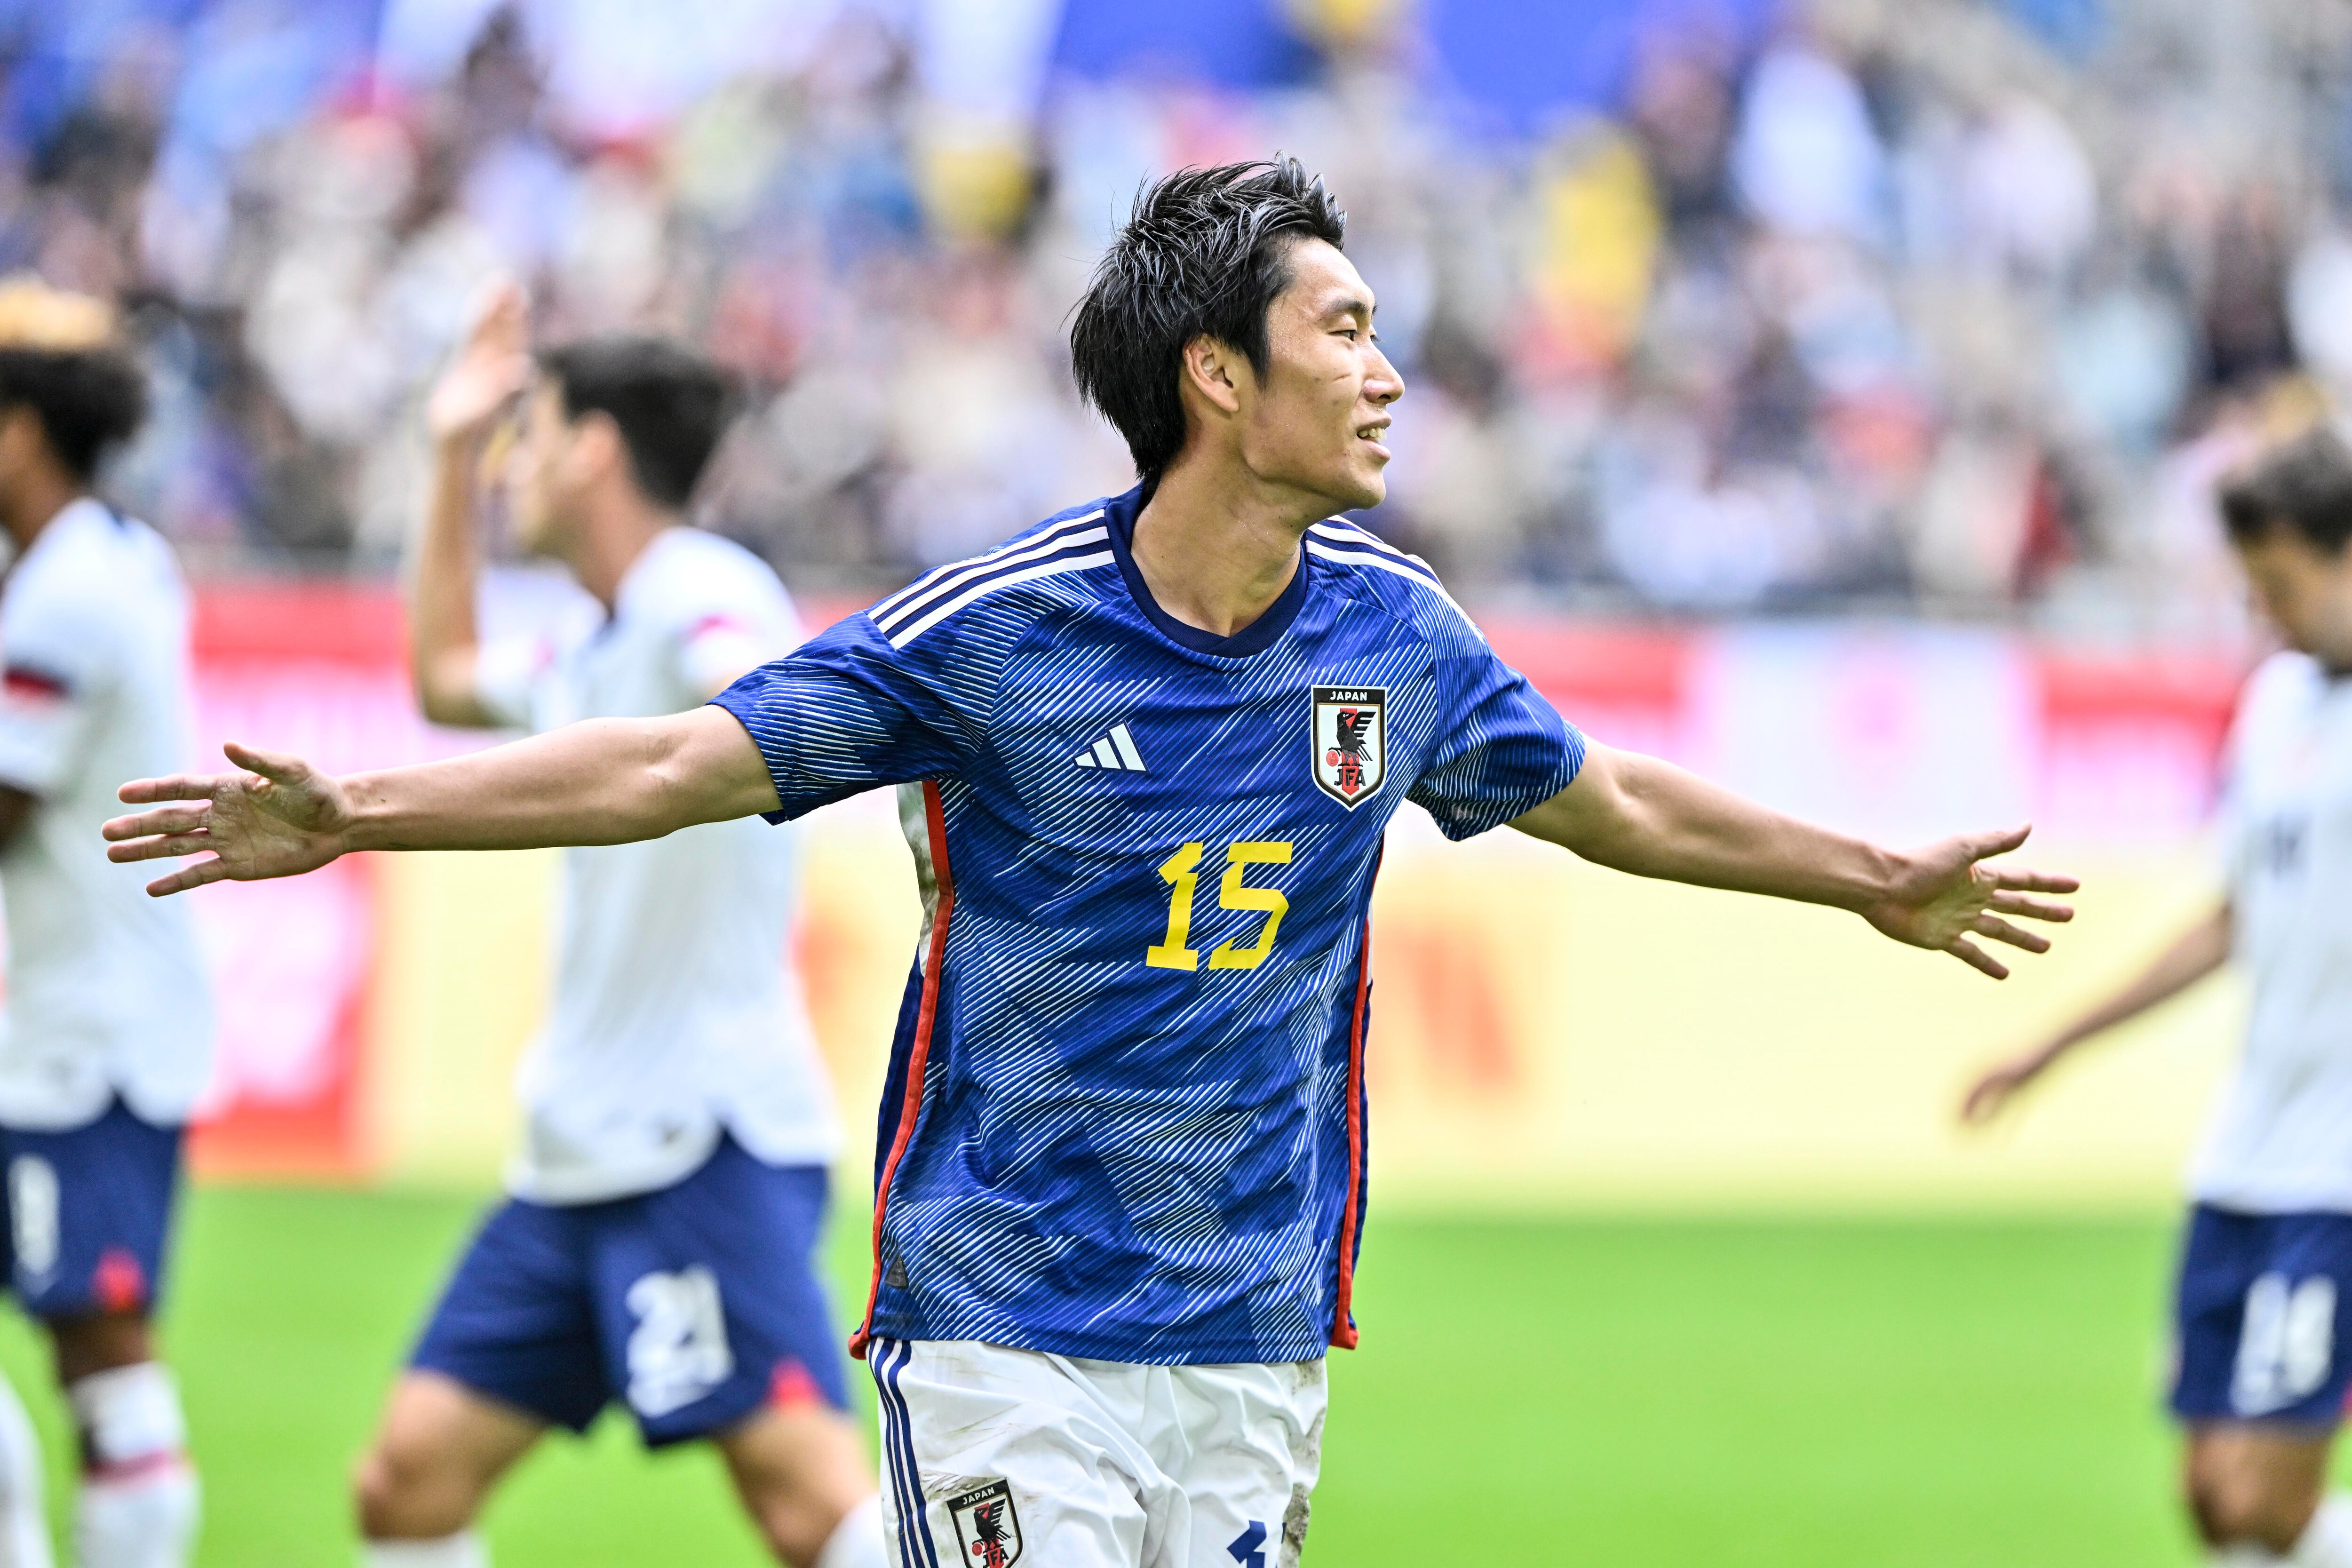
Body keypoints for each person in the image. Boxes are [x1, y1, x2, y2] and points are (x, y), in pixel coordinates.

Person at [103, 161, 2076, 1568]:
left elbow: (1610, 801)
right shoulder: (994, 629)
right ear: (1218, 375)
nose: (1389, 372)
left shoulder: (1393, 626)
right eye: (1347, 329)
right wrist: (357, 808)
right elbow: (675, 761)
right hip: (1004, 1315)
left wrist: (1865, 876)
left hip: (1254, 1321)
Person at [347, 288, 882, 1568]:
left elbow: (750, 680)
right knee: (407, 1480)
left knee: (815, 1507)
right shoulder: (593, 640)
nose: (509, 471)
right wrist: (445, 453)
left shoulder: (700, 584)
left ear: (592, 447)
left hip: (694, 1137)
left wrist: (726, 707)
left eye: (524, 439)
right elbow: (444, 676)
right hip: (578, 1150)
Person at [1964, 426, 2352, 1568]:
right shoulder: (2277, 706)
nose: (2262, 612)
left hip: (2335, 1177)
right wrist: (2054, 1044)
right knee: (2209, 1499)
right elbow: (2229, 919)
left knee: (2264, 1500)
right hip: (2242, 1153)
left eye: (2278, 584)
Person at [0, 278, 209, 1568]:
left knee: (105, 1359)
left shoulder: (68, 595)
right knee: (97, 1364)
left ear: (24, 431)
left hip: (85, 1038)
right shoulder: (106, 556)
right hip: (81, 1016)